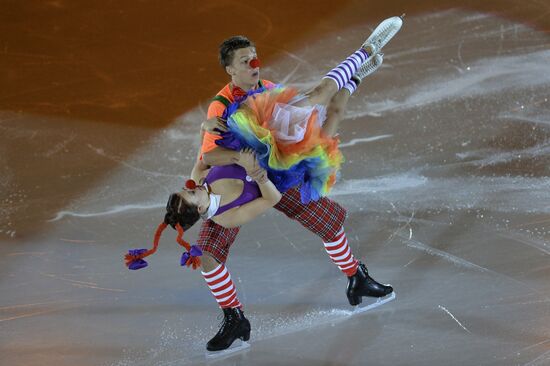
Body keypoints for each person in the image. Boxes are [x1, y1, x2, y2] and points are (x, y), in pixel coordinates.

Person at [125, 15, 403, 353]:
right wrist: (241, 160)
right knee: (210, 256)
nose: (255, 63)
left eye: (254, 56)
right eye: (245, 60)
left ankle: (356, 279)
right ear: (231, 70)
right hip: (246, 181)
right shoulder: (221, 105)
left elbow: (293, 118)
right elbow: (209, 157)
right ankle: (234, 318)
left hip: (278, 172)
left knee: (327, 221)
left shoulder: (267, 89)